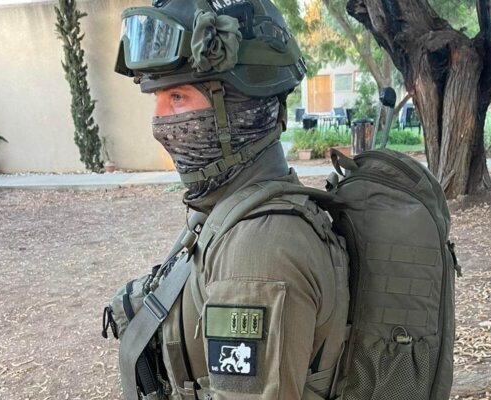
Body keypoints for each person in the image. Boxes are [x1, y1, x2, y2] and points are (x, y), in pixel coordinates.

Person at [114, 0, 349, 398]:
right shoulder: (232, 211)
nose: (160, 123)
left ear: (242, 105)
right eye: (156, 99)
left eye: (177, 98)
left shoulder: (259, 249)